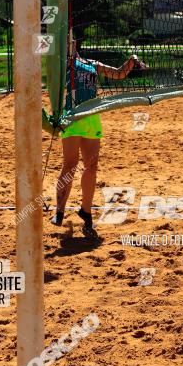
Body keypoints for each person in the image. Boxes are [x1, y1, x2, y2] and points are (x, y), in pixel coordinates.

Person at [54, 42, 146, 240]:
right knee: (69, 166)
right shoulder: (62, 63)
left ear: (75, 43)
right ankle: (59, 211)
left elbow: (119, 74)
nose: (69, 44)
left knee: (92, 166)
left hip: (92, 116)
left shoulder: (91, 63)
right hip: (72, 116)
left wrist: (132, 61)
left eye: (71, 41)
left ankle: (85, 211)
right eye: (66, 41)